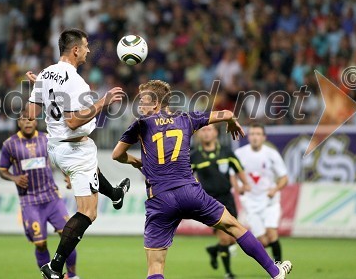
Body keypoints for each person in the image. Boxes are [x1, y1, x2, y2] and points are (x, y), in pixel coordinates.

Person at [112, 80, 293, 279]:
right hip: (190, 192)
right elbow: (227, 114)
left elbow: (117, 155)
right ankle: (275, 272)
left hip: (160, 198)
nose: (139, 105)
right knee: (234, 226)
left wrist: (134, 161)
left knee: (156, 264)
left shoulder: (140, 125)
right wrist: (231, 122)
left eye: (143, 101)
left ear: (155, 104)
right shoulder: (187, 119)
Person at [25, 28, 128, 279]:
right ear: (75, 50)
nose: (88, 50)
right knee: (88, 213)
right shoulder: (75, 81)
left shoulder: (46, 74)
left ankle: (114, 193)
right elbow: (72, 122)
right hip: (74, 147)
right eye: (86, 46)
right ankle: (55, 266)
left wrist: (41, 88)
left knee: (91, 170)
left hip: (56, 147)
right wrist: (102, 103)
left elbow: (30, 114)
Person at [0, 115, 80, 278]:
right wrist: (14, 178)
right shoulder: (9, 144)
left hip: (51, 197)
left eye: (30, 119)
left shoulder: (47, 139)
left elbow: (60, 159)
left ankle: (72, 275)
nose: (27, 122)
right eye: (23, 119)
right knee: (41, 244)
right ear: (18, 122)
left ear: (36, 121)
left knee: (68, 236)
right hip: (29, 200)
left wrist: (68, 175)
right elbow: (2, 170)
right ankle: (50, 276)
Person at [191, 124, 251, 279]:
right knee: (225, 237)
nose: (206, 133)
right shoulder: (194, 155)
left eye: (209, 129)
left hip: (228, 199)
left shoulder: (226, 151)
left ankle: (214, 250)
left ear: (216, 133)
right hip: (209, 201)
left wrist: (245, 183)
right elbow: (186, 176)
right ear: (198, 135)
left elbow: (239, 168)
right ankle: (228, 273)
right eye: (203, 130)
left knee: (233, 238)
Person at [234, 124, 289, 262]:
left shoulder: (271, 154)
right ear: (248, 137)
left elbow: (284, 177)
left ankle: (279, 267)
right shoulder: (240, 154)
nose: (255, 137)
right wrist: (238, 187)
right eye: (252, 134)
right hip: (251, 202)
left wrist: (275, 189)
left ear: (264, 137)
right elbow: (232, 175)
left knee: (272, 234)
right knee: (263, 241)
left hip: (269, 200)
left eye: (258, 134)